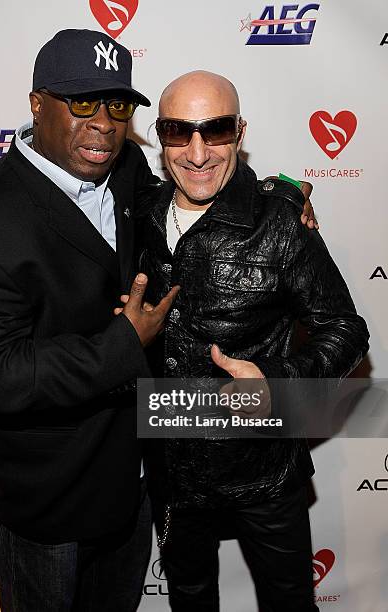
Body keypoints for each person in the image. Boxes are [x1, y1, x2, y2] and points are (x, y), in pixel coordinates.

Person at [0, 29, 179, 612]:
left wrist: (275, 201)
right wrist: (122, 346)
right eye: (83, 102)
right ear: (38, 104)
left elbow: (172, 212)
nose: (104, 123)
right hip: (46, 499)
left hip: (130, 477)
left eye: (117, 105)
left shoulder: (124, 170)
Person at [130, 71, 370, 611]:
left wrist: (278, 382)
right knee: (189, 599)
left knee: (287, 601)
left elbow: (346, 329)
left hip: (264, 469)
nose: (196, 154)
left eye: (214, 132)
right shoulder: (139, 213)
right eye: (177, 131)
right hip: (172, 469)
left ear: (239, 132)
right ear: (160, 135)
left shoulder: (280, 224)